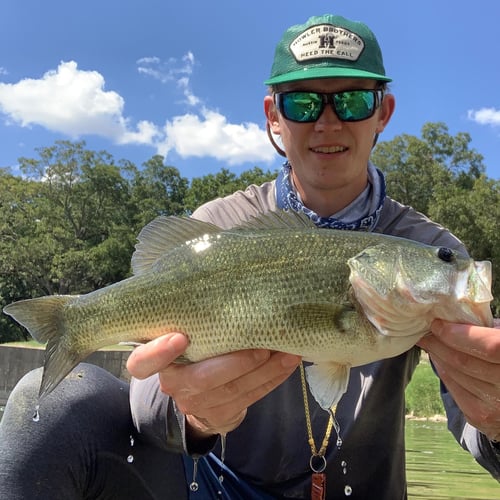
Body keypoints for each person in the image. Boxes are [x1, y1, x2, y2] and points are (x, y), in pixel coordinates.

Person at [1, 13, 499, 500]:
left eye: (351, 101)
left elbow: (474, 425)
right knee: (48, 405)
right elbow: (149, 411)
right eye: (302, 103)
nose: (328, 121)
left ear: (382, 112)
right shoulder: (220, 226)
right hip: (216, 487)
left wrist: (497, 419)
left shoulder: (435, 251)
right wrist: (195, 417)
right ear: (273, 117)